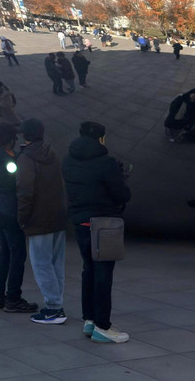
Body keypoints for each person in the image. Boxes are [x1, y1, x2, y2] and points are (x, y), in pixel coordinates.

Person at [62, 121, 131, 343]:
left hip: (81, 222)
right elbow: (122, 195)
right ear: (101, 139)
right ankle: (103, 326)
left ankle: (89, 320)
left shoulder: (68, 160)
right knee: (103, 274)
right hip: (104, 224)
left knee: (88, 270)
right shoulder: (105, 162)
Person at [16, 118, 68, 325]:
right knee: (56, 263)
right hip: (57, 216)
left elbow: (24, 191)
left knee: (41, 263)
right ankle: (57, 304)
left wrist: (22, 217)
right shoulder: (51, 154)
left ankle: (54, 308)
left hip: (38, 218)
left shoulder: (26, 158)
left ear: (24, 135)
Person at [0, 123, 36, 313]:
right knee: (17, 254)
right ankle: (13, 298)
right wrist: (19, 159)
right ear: (10, 140)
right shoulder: (6, 162)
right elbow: (16, 184)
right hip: (9, 213)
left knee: (4, 253)